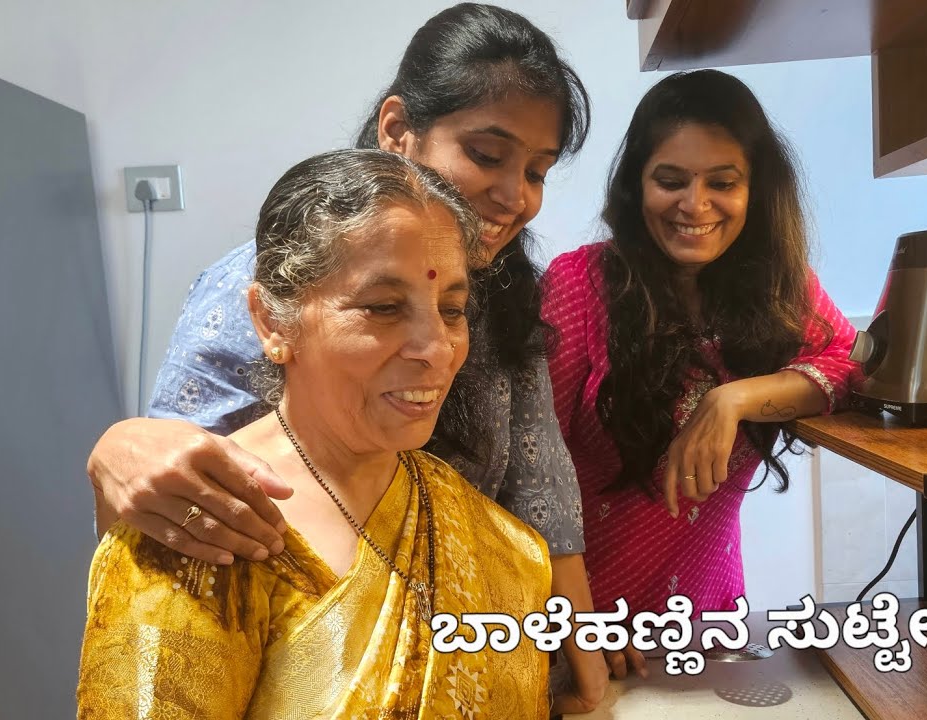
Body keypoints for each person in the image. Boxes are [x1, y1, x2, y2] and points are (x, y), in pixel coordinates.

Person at [82, 3, 622, 710]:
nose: (515, 195)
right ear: (398, 130)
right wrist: (119, 447)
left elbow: (540, 489)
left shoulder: (503, 289)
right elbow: (182, 481)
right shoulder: (278, 277)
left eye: (539, 170)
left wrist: (584, 662)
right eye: (488, 156)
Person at [77, 149, 552, 718]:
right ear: (272, 322)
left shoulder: (499, 546)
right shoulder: (201, 526)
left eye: (452, 310)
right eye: (383, 307)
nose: (437, 349)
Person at [542, 69, 861, 618]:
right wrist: (573, 622)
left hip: (713, 619)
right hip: (583, 619)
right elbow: (532, 469)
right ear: (636, 183)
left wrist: (731, 401)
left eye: (722, 182)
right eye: (670, 180)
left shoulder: (782, 288)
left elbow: (850, 366)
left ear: (753, 190)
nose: (696, 205)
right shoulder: (579, 285)